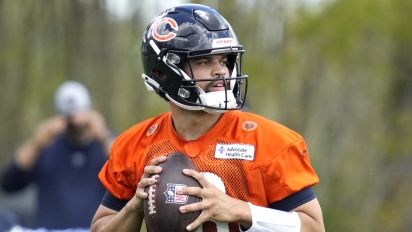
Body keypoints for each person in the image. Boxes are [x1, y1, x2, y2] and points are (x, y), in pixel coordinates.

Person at [91, 4, 324, 232]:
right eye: (204, 61)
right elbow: (100, 226)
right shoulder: (134, 146)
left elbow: (314, 227)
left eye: (224, 60)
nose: (221, 71)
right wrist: (134, 207)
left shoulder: (270, 142)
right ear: (163, 72)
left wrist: (241, 211)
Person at [1, 81, 113, 230]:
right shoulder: (47, 145)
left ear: (91, 111)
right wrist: (36, 143)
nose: (77, 126)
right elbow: (9, 183)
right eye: (70, 119)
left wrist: (104, 135)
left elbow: (128, 176)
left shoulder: (106, 146)